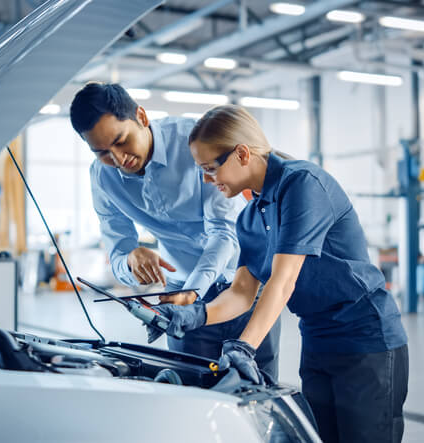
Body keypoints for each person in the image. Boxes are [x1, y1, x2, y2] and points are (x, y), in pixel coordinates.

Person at [150, 105, 409, 443]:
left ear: (242, 153)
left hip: (365, 338)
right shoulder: (249, 218)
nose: (206, 179)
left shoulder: (302, 185)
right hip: (317, 340)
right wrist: (194, 314)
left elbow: (283, 280)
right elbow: (242, 292)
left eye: (210, 168)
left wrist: (243, 346)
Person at [68, 83, 280, 378]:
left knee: (259, 390)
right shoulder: (103, 178)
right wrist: (131, 260)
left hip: (245, 286)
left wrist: (192, 293)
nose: (118, 159)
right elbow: (118, 253)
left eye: (121, 141)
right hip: (181, 297)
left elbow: (223, 232)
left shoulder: (196, 143)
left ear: (141, 117)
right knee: (191, 392)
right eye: (102, 152)